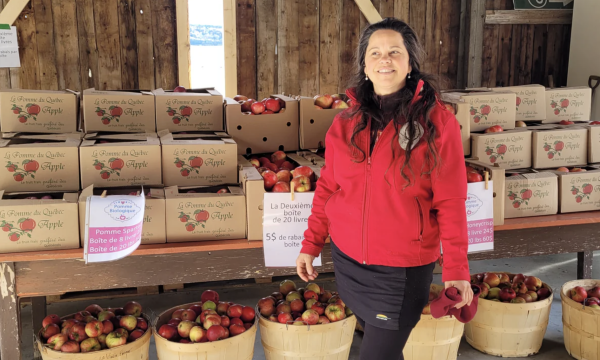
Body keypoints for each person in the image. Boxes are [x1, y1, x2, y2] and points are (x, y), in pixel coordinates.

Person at [295, 18, 473, 360]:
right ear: (364, 65)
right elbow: (329, 188)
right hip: (348, 260)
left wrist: (456, 271)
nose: (384, 59)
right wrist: (311, 244)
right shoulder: (345, 122)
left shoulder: (437, 123)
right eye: (375, 52)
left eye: (395, 51)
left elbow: (451, 202)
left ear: (410, 63)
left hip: (400, 271)